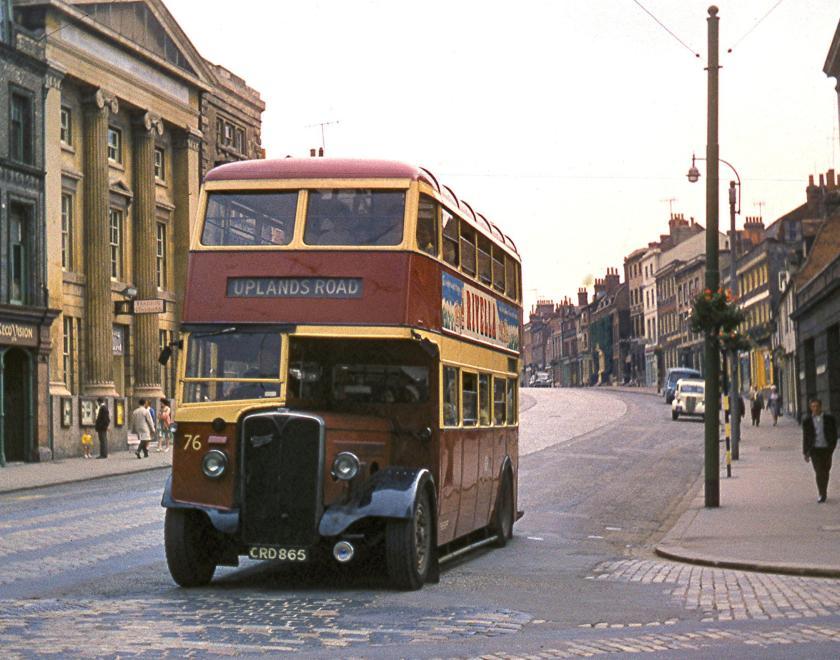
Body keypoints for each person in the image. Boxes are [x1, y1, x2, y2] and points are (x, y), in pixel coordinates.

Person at [803, 398, 838, 503]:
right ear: (810, 408)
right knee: (819, 471)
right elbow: (806, 437)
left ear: (821, 407)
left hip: (827, 449)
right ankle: (821, 493)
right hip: (815, 450)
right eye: (813, 406)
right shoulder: (807, 421)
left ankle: (824, 490)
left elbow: (834, 434)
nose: (815, 408)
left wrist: (832, 446)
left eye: (817, 406)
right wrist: (805, 452)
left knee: (826, 471)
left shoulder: (829, 419)